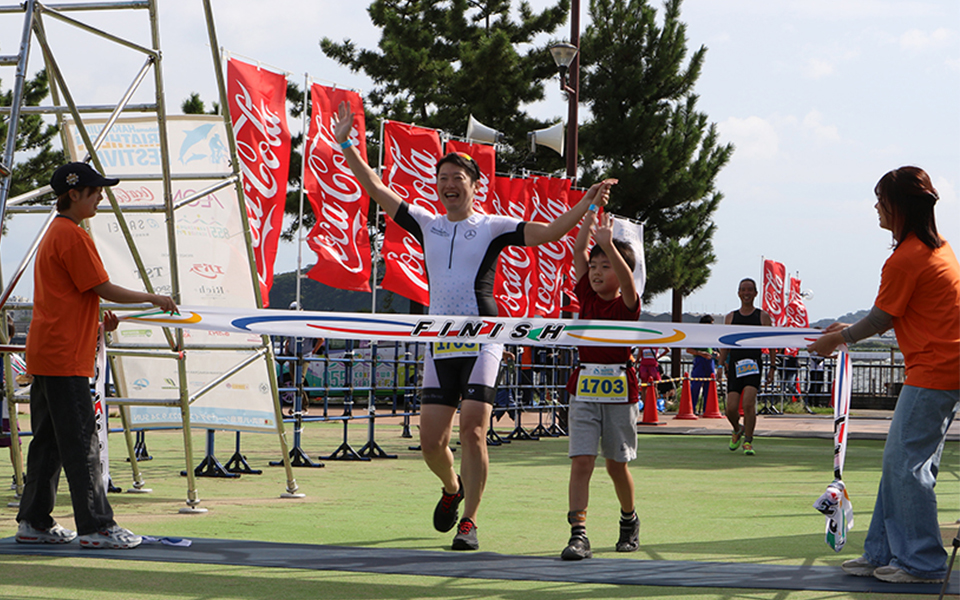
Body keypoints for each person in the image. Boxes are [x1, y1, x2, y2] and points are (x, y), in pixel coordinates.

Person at [333, 101, 616, 551]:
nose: (448, 185)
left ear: (474, 186)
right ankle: (451, 487)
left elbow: (550, 233)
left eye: (457, 179)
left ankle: (470, 522)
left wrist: (584, 202)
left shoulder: (492, 226)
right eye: (443, 178)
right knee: (431, 442)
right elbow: (373, 185)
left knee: (474, 429)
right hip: (438, 340)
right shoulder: (426, 222)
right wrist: (347, 143)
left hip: (485, 338)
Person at [807, 166, 959, 585]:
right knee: (902, 465)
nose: (875, 206)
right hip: (940, 367)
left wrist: (837, 341)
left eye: (881, 199)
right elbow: (891, 312)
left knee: (907, 467)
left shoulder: (908, 256)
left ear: (900, 207)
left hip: (935, 370)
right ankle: (883, 552)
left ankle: (922, 563)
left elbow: (882, 317)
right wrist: (842, 332)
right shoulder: (936, 247)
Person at [15, 162, 177, 549]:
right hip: (64, 355)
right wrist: (153, 297)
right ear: (75, 193)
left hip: (49, 352)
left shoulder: (56, 232)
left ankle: (34, 521)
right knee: (82, 442)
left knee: (49, 442)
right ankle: (96, 526)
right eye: (95, 190)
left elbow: (79, 294)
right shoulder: (71, 234)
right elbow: (101, 286)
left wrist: (97, 320)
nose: (100, 195)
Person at [560, 210, 641, 561]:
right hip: (583, 388)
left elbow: (629, 283)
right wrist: (592, 212)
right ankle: (578, 534)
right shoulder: (587, 299)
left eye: (605, 266)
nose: (595, 271)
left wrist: (609, 244)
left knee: (616, 465)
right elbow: (579, 252)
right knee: (581, 462)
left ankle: (629, 519)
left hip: (621, 392)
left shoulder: (628, 305)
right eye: (594, 266)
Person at [718, 278, 776, 456]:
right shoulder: (730, 317)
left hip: (753, 365)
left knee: (748, 404)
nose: (746, 293)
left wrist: (773, 367)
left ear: (756, 293)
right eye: (743, 290)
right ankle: (737, 429)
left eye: (750, 290)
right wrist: (720, 365)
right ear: (738, 293)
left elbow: (772, 342)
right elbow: (725, 344)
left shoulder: (762, 316)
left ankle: (748, 441)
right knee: (730, 409)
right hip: (735, 366)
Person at [686, 315, 720, 414]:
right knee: (696, 385)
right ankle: (691, 408)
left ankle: (708, 409)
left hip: (710, 362)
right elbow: (689, 350)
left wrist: (716, 353)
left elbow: (713, 349)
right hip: (700, 360)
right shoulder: (696, 335)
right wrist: (700, 353)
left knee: (710, 386)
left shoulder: (711, 336)